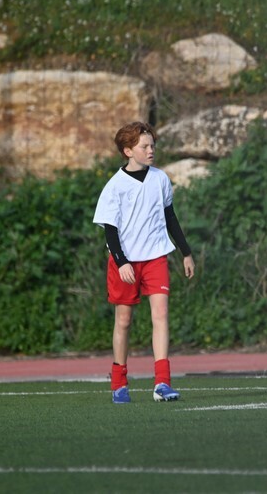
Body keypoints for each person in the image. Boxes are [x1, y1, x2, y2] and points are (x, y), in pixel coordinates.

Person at [93, 122, 196, 404]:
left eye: (153, 145)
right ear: (128, 151)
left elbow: (170, 217)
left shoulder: (160, 179)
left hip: (155, 258)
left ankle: (162, 383)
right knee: (123, 321)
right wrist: (122, 262)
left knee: (161, 314)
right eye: (144, 146)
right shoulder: (114, 186)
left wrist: (186, 252)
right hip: (125, 263)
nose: (151, 150)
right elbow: (110, 230)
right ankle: (119, 384)